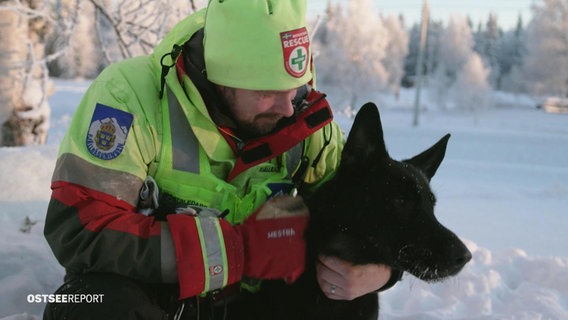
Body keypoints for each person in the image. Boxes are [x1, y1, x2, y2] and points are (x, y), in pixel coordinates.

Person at [43, 1, 401, 319]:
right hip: (152, 296)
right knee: (90, 305)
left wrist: (382, 270)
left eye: (294, 88)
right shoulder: (129, 97)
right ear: (220, 76)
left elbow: (369, 210)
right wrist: (236, 251)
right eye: (267, 92)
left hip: (259, 304)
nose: (288, 107)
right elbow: (79, 228)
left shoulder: (305, 119)